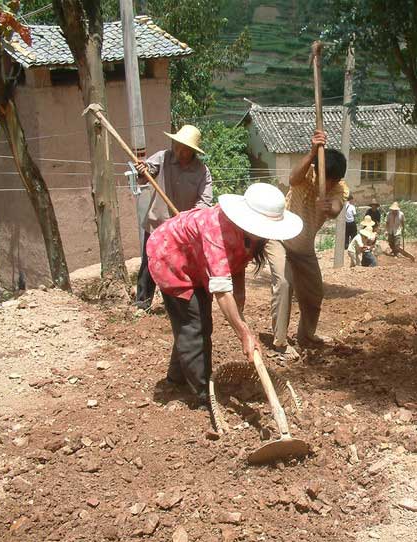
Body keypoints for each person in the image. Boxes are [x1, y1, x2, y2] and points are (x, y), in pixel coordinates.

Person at [147, 183, 303, 401]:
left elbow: (236, 267)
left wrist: (240, 308)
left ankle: (176, 377)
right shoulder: (216, 230)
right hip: (171, 261)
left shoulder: (250, 235)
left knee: (192, 322)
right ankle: (202, 394)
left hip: (196, 262)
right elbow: (221, 290)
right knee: (196, 325)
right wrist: (244, 333)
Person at [265, 130, 349, 359]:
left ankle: (307, 335)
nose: (326, 181)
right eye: (323, 175)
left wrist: (329, 207)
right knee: (283, 284)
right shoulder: (306, 175)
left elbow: (336, 208)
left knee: (314, 294)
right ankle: (280, 343)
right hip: (279, 238)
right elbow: (292, 179)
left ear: (337, 179)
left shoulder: (339, 188)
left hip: (304, 247)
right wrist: (312, 152)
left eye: (330, 179)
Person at [134, 125, 213, 310]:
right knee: (149, 264)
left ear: (193, 151)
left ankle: (173, 305)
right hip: (157, 223)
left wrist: (187, 221)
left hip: (181, 231)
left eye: (185, 148)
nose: (180, 151)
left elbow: (204, 203)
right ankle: (142, 303)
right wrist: (142, 169)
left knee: (176, 267)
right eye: (177, 146)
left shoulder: (202, 172)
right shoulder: (163, 157)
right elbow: (147, 172)